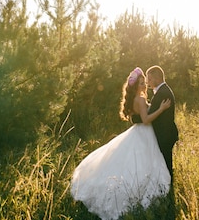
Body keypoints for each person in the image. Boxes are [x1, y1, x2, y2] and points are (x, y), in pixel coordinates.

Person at [70, 67, 172, 220]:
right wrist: (162, 109)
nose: (145, 85)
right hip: (144, 133)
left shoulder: (135, 99)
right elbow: (146, 120)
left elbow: (136, 117)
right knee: (142, 163)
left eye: (145, 82)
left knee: (132, 162)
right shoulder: (141, 99)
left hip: (138, 132)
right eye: (142, 83)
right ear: (136, 86)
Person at [146, 65, 179, 177]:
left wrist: (135, 117)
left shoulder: (162, 93)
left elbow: (150, 115)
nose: (147, 82)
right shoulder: (162, 91)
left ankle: (168, 188)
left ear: (158, 78)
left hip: (165, 135)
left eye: (149, 79)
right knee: (164, 163)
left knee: (166, 164)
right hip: (165, 133)